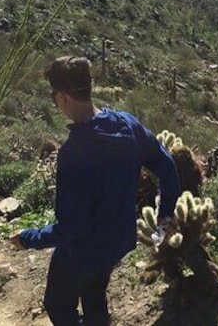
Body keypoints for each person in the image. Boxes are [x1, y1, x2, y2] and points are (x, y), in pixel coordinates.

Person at [10, 56, 180, 326]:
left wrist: (28, 238)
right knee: (94, 295)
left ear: (63, 96)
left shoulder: (73, 154)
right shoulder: (128, 126)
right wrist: (165, 215)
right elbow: (167, 164)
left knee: (58, 305)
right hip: (118, 242)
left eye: (54, 95)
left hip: (82, 251)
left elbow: (70, 228)